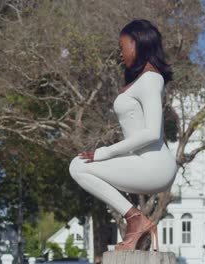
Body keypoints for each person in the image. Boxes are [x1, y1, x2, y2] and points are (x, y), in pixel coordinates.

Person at [69, 19, 178, 251]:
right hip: (143, 161)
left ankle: (136, 220)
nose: (120, 54)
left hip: (155, 165)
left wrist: (104, 153)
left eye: (122, 46)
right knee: (78, 165)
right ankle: (136, 221)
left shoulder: (151, 78)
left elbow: (151, 132)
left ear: (137, 43)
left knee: (78, 166)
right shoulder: (141, 79)